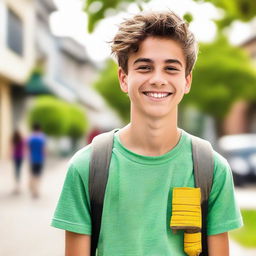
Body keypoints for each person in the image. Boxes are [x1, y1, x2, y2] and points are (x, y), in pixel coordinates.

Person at [51, 11, 243, 255]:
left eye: (171, 68)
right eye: (144, 67)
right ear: (123, 78)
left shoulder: (212, 169)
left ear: (187, 82)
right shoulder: (87, 167)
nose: (158, 79)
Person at [27, 123, 46, 198]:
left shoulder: (31, 138)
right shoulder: (42, 137)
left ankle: (33, 187)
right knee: (38, 175)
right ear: (39, 129)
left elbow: (29, 148)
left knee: (32, 174)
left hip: (32, 158)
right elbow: (43, 149)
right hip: (40, 159)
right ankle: (36, 190)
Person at [11, 130, 25, 194]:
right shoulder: (22, 140)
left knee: (16, 170)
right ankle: (18, 186)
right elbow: (24, 148)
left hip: (15, 156)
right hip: (20, 157)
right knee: (19, 170)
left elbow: (11, 148)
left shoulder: (14, 140)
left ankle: (16, 185)